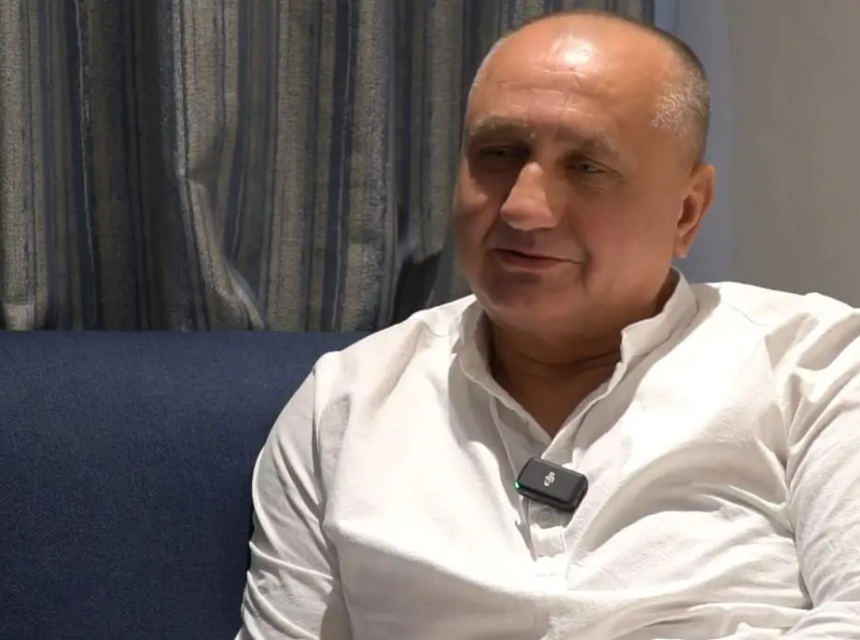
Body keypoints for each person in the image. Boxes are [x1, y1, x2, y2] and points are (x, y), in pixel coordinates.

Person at [237, 9, 860, 640]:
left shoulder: (817, 368)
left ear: (687, 212)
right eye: (499, 154)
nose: (523, 208)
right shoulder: (345, 401)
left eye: (587, 166)